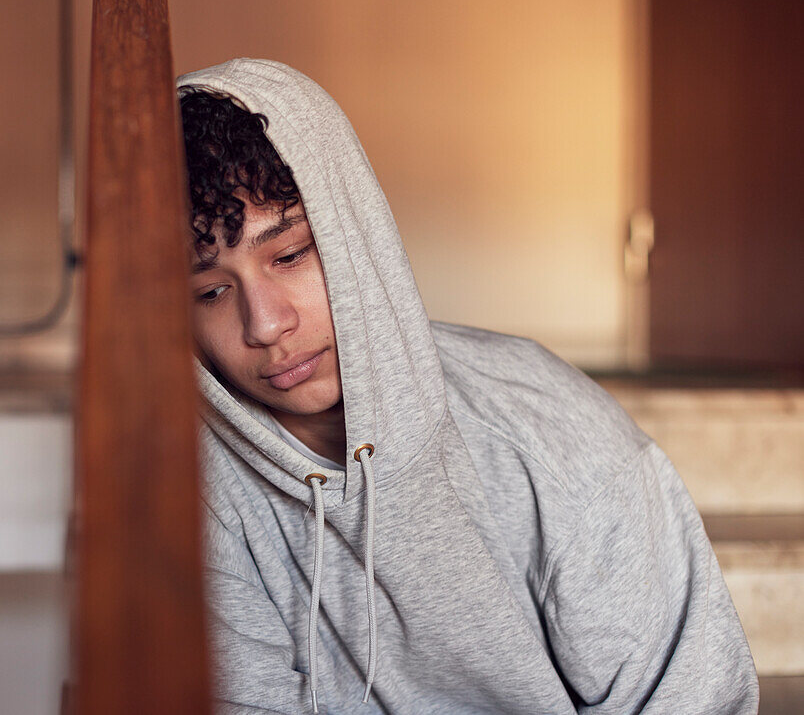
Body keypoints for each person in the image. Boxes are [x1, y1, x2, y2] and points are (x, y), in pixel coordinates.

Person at [177, 58, 758, 714]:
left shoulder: (543, 427)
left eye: (289, 255)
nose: (266, 324)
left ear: (355, 230)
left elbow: (691, 698)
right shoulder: (194, 493)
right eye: (211, 290)